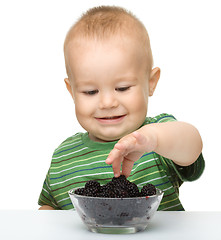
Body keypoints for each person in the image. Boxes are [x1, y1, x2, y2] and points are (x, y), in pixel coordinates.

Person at [38, 6, 204, 210]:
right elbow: (47, 210)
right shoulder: (63, 157)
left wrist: (153, 139)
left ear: (150, 83)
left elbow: (192, 146)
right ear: (71, 91)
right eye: (90, 91)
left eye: (122, 88)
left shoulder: (158, 137)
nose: (107, 103)